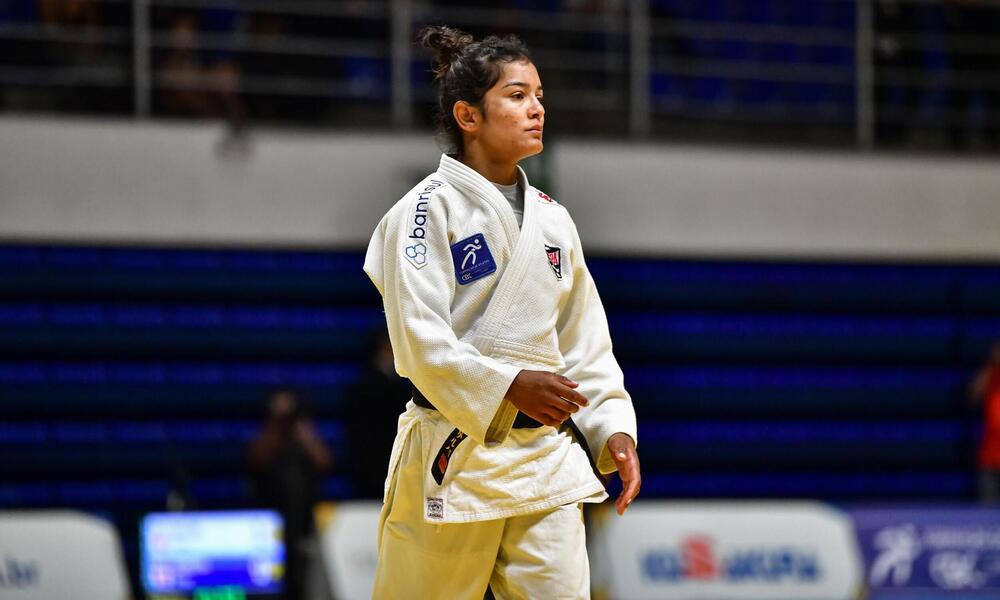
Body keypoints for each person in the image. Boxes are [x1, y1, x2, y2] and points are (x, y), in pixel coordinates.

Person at [362, 26, 640, 599]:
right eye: (516, 96)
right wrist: (509, 385)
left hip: (545, 461)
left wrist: (612, 426)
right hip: (454, 455)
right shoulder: (421, 213)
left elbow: (585, 341)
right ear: (468, 116)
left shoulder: (553, 219)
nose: (536, 108)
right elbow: (418, 343)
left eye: (539, 95)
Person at [247, 388, 332, 600]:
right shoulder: (267, 440)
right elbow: (256, 460)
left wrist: (305, 434)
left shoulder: (304, 440)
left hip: (305, 524)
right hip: (269, 525)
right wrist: (276, 426)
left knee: (306, 582)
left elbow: (324, 463)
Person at [344, 327, 412, 498]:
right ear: (383, 349)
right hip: (372, 473)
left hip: (392, 471)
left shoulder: (398, 387)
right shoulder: (369, 389)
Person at [970, 341, 1000, 503]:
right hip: (990, 460)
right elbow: (973, 396)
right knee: (989, 518)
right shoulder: (990, 375)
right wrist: (992, 364)